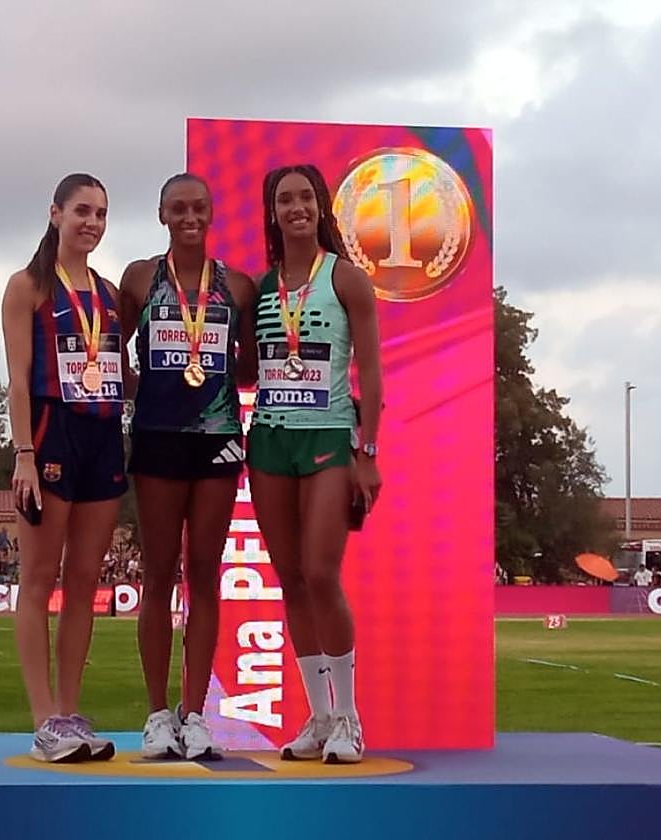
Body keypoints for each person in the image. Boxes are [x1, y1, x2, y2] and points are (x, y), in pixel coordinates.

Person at [119, 173, 258, 760]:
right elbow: (110, 347)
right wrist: (140, 386)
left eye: (198, 207)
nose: (188, 217)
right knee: (157, 573)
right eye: (177, 208)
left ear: (212, 212)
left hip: (219, 438)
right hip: (155, 437)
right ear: (161, 214)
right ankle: (157, 715)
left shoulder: (238, 286)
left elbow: (249, 367)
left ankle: (195, 713)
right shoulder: (139, 278)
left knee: (204, 575)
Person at [246, 164, 383, 764]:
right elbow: (250, 368)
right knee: (291, 580)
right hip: (270, 439)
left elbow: (372, 374)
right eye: (285, 199)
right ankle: (320, 717)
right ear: (272, 213)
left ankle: (351, 717)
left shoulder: (346, 278)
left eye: (305, 197)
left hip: (328, 435)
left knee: (322, 573)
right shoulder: (258, 287)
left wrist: (368, 452)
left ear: (321, 207)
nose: (296, 207)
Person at [1, 172, 126, 763]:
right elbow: (18, 379)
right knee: (38, 578)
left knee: (84, 583)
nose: (92, 223)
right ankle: (43, 718)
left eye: (101, 213)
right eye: (81, 211)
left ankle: (71, 714)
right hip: (50, 434)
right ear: (55, 213)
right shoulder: (28, 286)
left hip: (103, 434)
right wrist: (23, 454)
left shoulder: (107, 293)